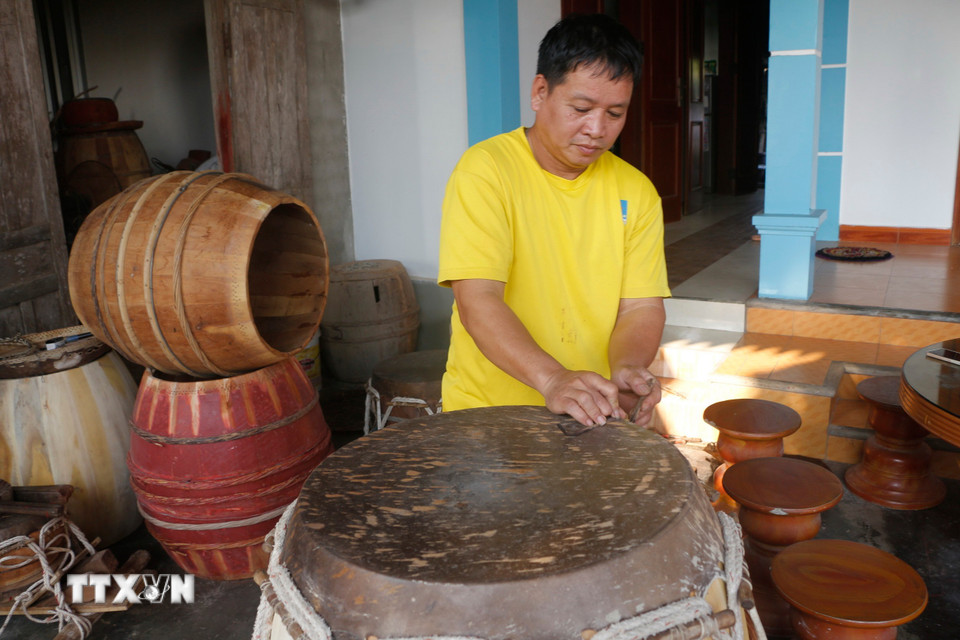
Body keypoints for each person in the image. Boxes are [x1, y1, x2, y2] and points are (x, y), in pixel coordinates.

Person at [437, 13, 670, 428]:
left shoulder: (636, 193)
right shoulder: (486, 171)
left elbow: (640, 306)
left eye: (615, 114)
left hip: (588, 413)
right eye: (581, 108)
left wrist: (628, 367)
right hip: (489, 412)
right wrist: (553, 378)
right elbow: (478, 299)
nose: (596, 129)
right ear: (540, 91)